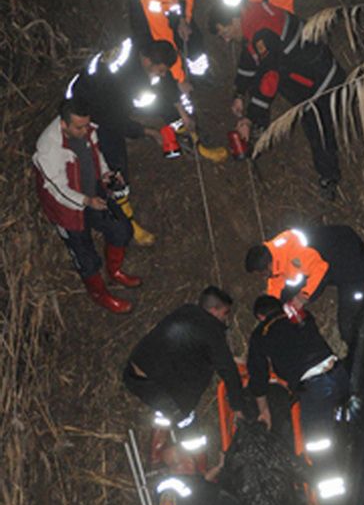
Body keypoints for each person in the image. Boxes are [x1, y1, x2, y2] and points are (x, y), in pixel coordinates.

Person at [210, 0, 345, 197]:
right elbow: (250, 60)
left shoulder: (261, 31)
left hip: (319, 79)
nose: (226, 39)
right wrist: (239, 93)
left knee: (317, 127)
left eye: (225, 32)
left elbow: (269, 75)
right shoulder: (252, 19)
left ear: (234, 19)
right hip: (306, 75)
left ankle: (329, 178)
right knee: (313, 121)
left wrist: (251, 117)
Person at [65, 38, 184, 245]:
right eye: (161, 70)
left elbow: (154, 94)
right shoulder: (125, 82)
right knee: (116, 164)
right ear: (147, 62)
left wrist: (178, 117)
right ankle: (125, 216)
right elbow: (115, 121)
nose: (163, 74)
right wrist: (148, 132)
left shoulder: (137, 48)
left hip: (92, 93)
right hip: (85, 111)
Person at [33, 98, 140, 314]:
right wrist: (86, 201)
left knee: (121, 229)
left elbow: (95, 154)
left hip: (92, 192)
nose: (85, 130)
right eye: (79, 127)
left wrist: (105, 174)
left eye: (87, 125)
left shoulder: (86, 128)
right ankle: (100, 295)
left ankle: (115, 271)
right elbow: (58, 190)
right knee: (86, 259)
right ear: (64, 125)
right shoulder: (48, 148)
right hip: (67, 209)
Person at [247, 294, 348, 503]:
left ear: (260, 316)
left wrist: (264, 410)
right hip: (340, 373)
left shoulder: (261, 334)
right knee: (350, 430)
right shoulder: (297, 315)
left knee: (318, 447)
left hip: (315, 387)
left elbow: (258, 378)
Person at [123, 286, 245, 449]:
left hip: (134, 372)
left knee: (167, 404)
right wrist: (237, 406)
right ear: (214, 310)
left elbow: (196, 345)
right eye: (225, 313)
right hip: (156, 387)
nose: (226, 319)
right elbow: (228, 371)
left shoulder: (186, 311)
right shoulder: (211, 329)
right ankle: (193, 464)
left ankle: (161, 435)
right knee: (190, 430)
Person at [245, 225, 364, 346]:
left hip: (352, 263)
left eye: (261, 273)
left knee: (349, 325)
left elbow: (321, 270)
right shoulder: (275, 258)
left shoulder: (294, 254)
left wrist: (303, 296)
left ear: (268, 266)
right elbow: (276, 288)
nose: (262, 277)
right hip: (332, 264)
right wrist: (270, 316)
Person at [129, 0, 209, 92]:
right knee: (153, 46)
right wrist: (180, 78)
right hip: (142, 2)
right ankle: (168, 85)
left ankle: (200, 77)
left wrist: (185, 19)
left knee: (191, 33)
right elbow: (164, 37)